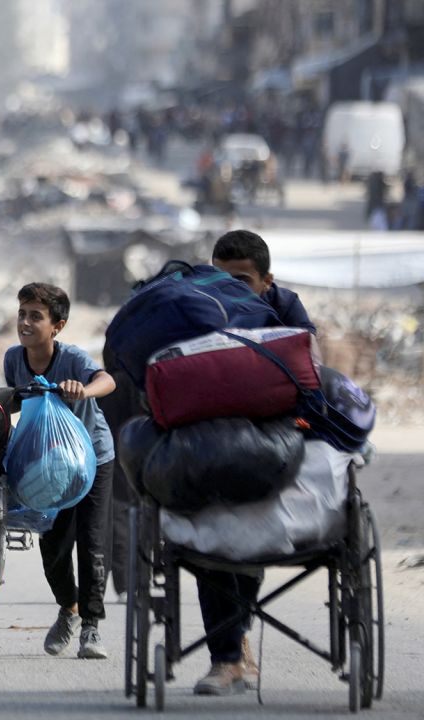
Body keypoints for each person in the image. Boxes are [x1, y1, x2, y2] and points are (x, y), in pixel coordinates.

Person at [193, 229, 316, 696]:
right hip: (213, 440)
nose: (229, 289)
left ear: (268, 280)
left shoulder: (287, 309)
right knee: (208, 535)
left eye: (241, 280)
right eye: (220, 278)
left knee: (249, 533)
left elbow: (310, 377)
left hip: (273, 441)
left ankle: (236, 642)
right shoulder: (197, 308)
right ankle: (226, 657)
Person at [3, 283, 116, 661]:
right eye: (22, 314)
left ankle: (91, 628)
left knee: (91, 542)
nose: (26, 322)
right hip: (46, 463)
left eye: (36, 316)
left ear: (58, 326)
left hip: (91, 460)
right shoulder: (13, 359)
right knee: (52, 544)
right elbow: (12, 402)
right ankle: (69, 609)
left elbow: (107, 380)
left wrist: (82, 391)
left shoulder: (72, 359)